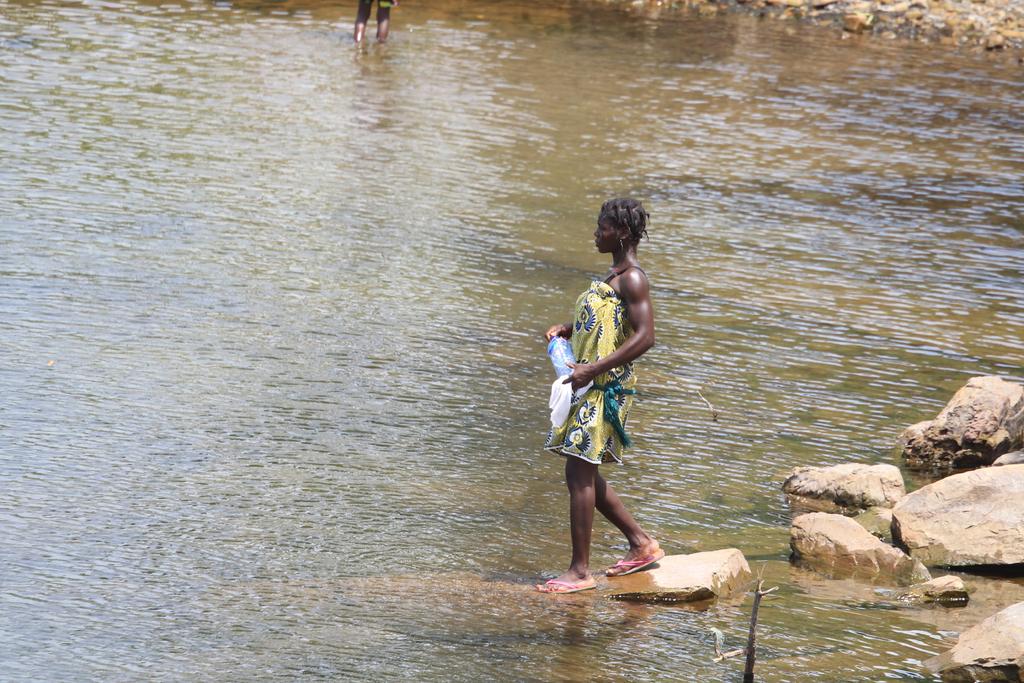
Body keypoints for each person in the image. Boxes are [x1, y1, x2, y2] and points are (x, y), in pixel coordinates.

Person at [537, 198, 663, 594]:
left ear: (622, 233)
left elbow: (646, 336)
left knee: (578, 471)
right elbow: (609, 319)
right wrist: (570, 329)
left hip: (605, 388)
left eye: (603, 227)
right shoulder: (615, 276)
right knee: (582, 469)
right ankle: (642, 544)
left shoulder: (634, 279)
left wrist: (594, 368)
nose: (596, 233)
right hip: (590, 381)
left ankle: (579, 572)